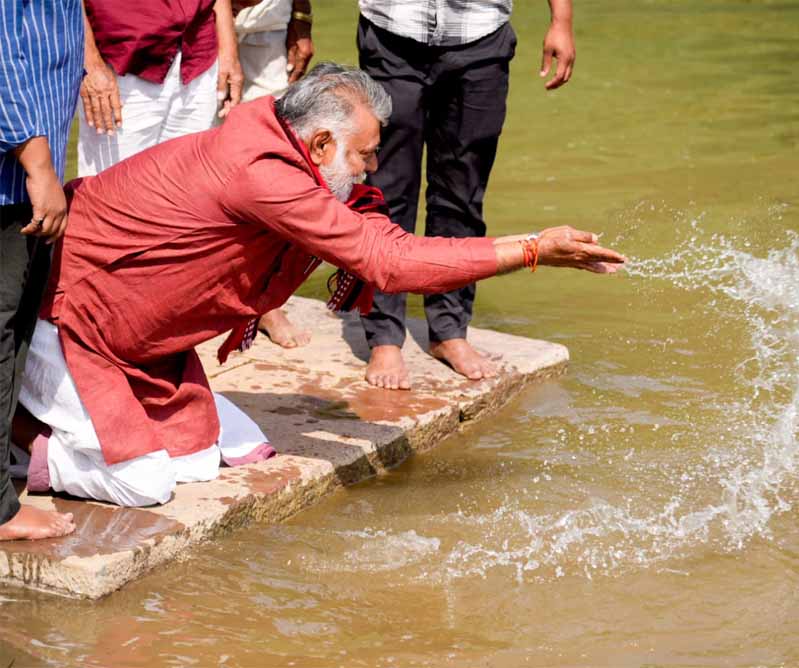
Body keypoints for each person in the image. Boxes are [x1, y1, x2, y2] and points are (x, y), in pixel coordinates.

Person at [14, 64, 625, 508]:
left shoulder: (286, 150)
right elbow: (387, 261)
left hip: (141, 336)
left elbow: (385, 242)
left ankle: (90, 419)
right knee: (144, 484)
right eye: (364, 154)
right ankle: (18, 448)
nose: (371, 170)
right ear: (320, 144)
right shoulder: (261, 174)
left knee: (205, 460)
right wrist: (532, 249)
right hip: (73, 324)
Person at [357, 0, 576, 391]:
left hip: (480, 36)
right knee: (384, 191)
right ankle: (384, 337)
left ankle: (448, 329)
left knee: (461, 192)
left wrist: (561, 20)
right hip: (392, 34)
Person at [0, 0, 83, 540]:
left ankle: (5, 478)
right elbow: (5, 53)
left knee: (15, 327)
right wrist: (39, 166)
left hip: (25, 166)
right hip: (12, 172)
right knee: (2, 329)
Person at [75, 0, 243, 176]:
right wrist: (90, 63)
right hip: (123, 59)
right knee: (112, 187)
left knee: (187, 183)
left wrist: (228, 47)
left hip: (198, 51)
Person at [232, 0, 316, 348]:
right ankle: (190, 292)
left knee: (273, 159)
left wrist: (301, 16)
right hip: (189, 22)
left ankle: (264, 300)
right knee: (188, 152)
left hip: (268, 16)